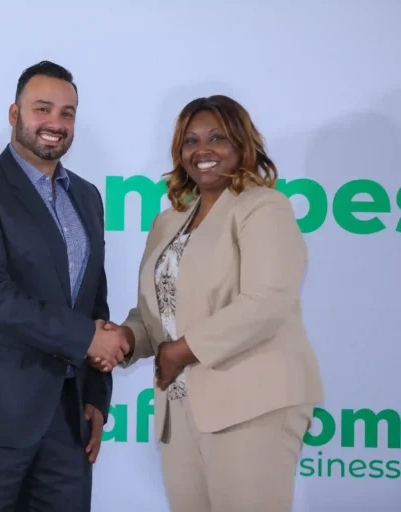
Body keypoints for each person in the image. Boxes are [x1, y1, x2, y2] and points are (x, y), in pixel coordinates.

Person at [0, 61, 128, 511]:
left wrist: (95, 394)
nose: (56, 123)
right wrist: (86, 338)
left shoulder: (86, 196)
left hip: (67, 419)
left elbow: (94, 298)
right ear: (14, 114)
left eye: (67, 113)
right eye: (43, 109)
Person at [97, 95, 324, 511]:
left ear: (241, 144)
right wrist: (126, 337)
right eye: (191, 141)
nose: (203, 151)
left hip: (252, 403)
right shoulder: (170, 218)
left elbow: (266, 302)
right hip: (179, 408)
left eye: (217, 138)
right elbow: (158, 312)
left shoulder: (263, 207)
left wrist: (180, 351)